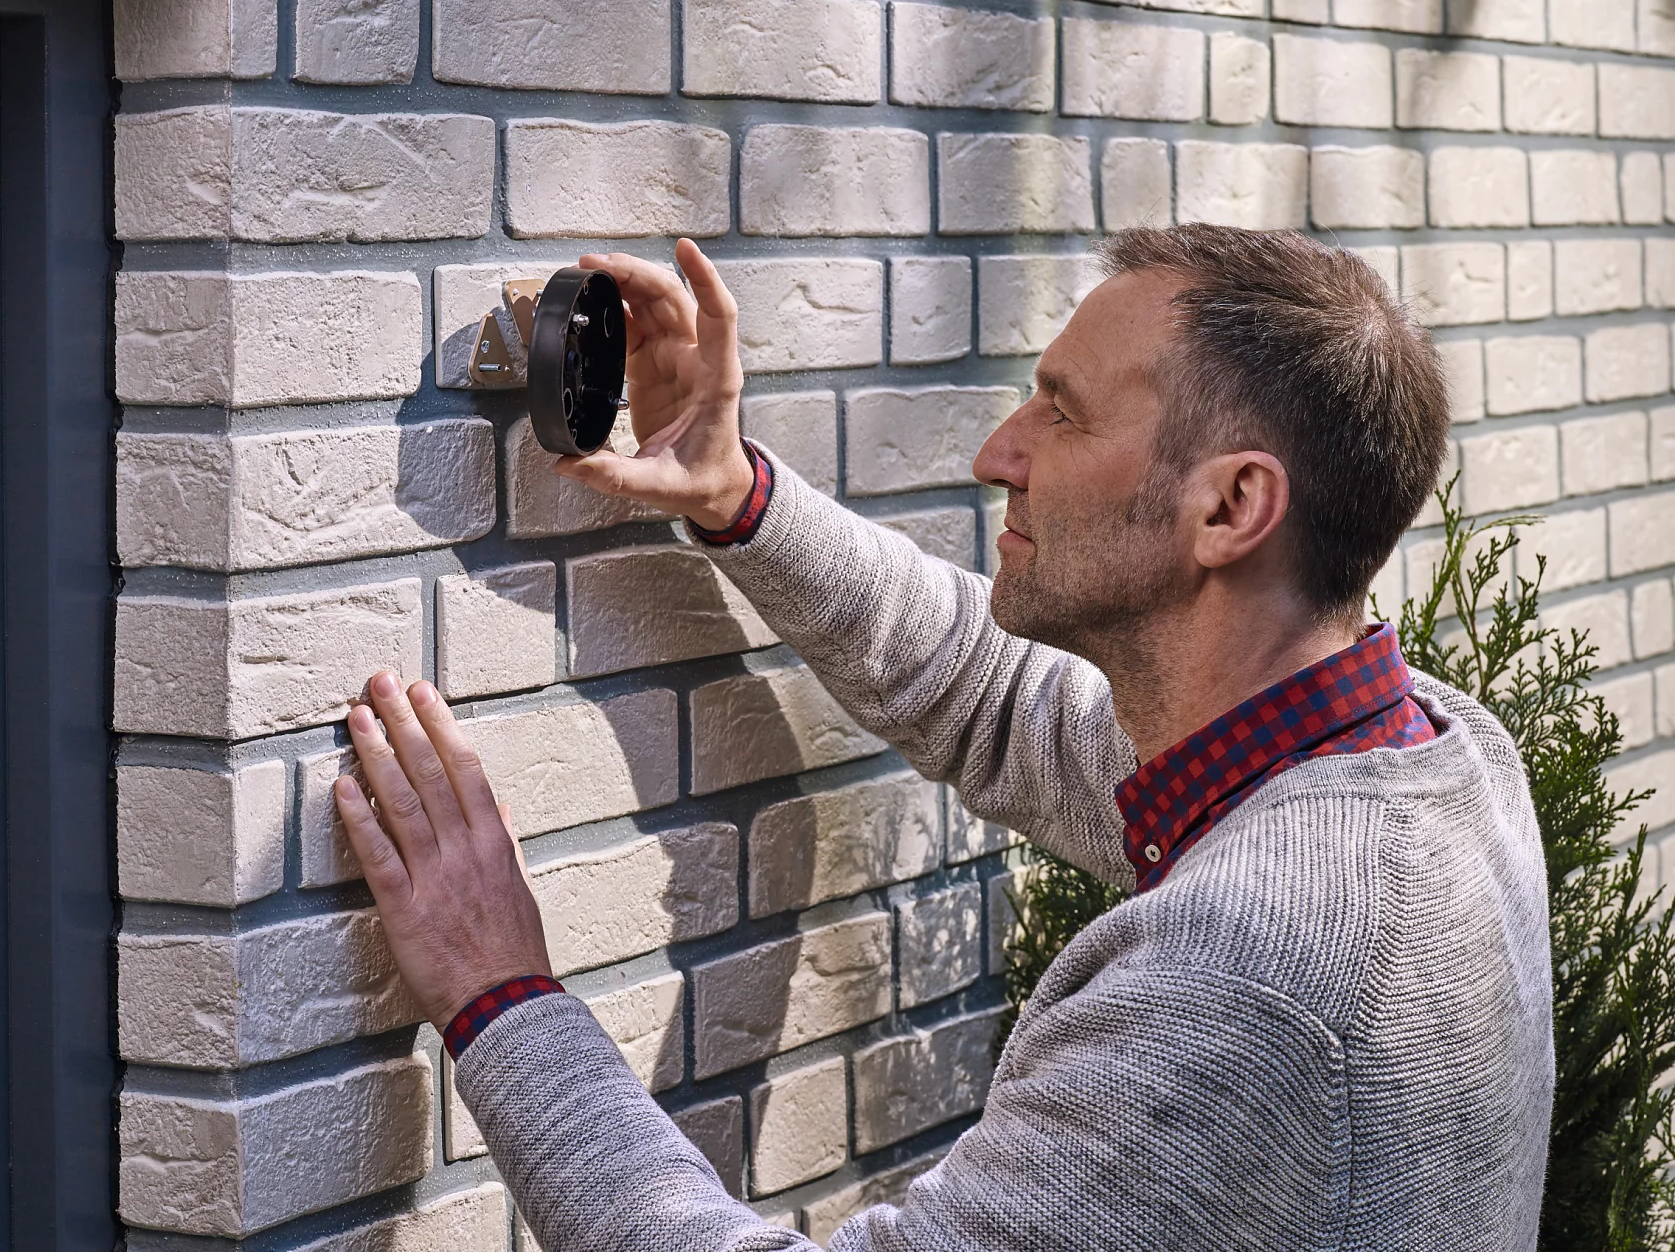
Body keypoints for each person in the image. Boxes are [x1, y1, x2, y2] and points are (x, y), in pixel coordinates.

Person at [332, 225, 1553, 1251]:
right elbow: (992, 696)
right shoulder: (1432, 760)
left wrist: (501, 998)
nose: (996, 455)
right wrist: (736, 496)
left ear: (1231, 507)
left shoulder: (1249, 984)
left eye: (1061, 417)